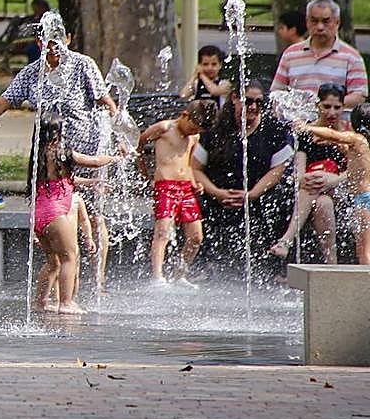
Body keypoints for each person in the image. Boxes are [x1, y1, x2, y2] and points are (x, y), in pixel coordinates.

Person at [0, 26, 119, 286]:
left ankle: (98, 281)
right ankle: (64, 287)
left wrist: (117, 136)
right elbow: (4, 102)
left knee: (93, 216)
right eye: (48, 41)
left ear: (69, 38)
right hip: (52, 162)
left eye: (59, 40)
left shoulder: (83, 65)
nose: (54, 46)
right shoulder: (32, 73)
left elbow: (106, 102)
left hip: (88, 153)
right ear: (39, 42)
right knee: (62, 216)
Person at [191, 80, 294, 277]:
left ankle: (274, 267)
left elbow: (277, 170)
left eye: (258, 102)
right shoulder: (215, 130)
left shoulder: (274, 131)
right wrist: (217, 193)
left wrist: (253, 194)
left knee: (282, 200)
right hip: (219, 194)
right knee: (197, 200)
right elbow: (195, 169)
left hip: (258, 194)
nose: (253, 107)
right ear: (235, 99)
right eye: (247, 101)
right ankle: (203, 264)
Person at [29, 116, 117, 313]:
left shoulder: (39, 155)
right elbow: (94, 162)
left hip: (40, 214)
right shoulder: (62, 152)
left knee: (53, 262)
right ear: (57, 134)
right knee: (70, 257)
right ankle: (66, 303)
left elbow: (63, 180)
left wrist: (91, 183)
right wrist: (114, 157)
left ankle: (40, 302)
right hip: (56, 214)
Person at [138, 100, 219, 286]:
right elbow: (140, 143)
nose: (193, 132)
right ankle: (157, 277)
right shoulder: (165, 128)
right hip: (165, 186)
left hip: (186, 188)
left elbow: (188, 164)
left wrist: (194, 182)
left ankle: (179, 274)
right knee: (163, 231)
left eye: (197, 131)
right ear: (184, 115)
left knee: (196, 236)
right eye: (192, 128)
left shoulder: (194, 137)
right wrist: (144, 171)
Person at [270, 84, 348, 262]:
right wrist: (307, 178)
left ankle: (286, 240)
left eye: (337, 107)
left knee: (322, 189)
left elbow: (357, 172)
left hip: (341, 189)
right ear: (317, 106)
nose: (332, 112)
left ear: (344, 108)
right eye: (327, 106)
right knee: (323, 203)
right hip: (313, 191)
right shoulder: (306, 134)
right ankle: (332, 263)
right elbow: (299, 170)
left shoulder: (348, 135)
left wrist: (333, 180)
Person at [298, 104, 370, 264]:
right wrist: (334, 143)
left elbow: (333, 133)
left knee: (365, 251)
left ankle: (365, 287)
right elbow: (355, 157)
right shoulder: (363, 144)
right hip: (364, 199)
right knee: (362, 248)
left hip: (365, 200)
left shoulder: (357, 139)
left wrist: (308, 128)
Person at [271, 0, 367, 109]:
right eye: (314, 21)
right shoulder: (290, 54)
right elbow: (276, 92)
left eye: (326, 21)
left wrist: (328, 106)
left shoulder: (352, 57)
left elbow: (359, 96)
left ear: (337, 22)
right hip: (297, 123)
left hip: (335, 124)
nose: (320, 27)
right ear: (307, 22)